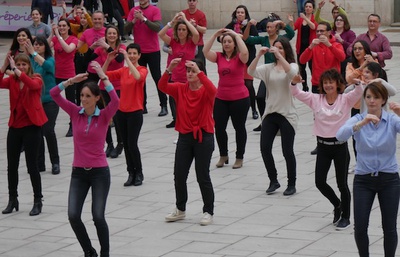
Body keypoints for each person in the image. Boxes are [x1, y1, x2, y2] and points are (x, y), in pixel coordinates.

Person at [50, 61, 119, 257]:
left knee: (98, 216)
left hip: (99, 173)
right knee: (73, 215)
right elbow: (54, 94)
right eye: (82, 96)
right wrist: (71, 81)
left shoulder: (104, 116)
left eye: (88, 96)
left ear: (97, 98)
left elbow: (116, 102)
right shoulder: (74, 112)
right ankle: (89, 251)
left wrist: (103, 77)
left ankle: (105, 253)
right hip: (78, 172)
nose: (83, 99)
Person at [291, 69, 364, 229]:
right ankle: (337, 204)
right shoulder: (315, 99)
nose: (328, 85)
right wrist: (294, 81)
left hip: (340, 148)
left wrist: (355, 80)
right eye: (325, 82)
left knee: (342, 184)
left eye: (331, 82)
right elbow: (296, 92)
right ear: (322, 85)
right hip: (323, 147)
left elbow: (360, 90)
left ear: (337, 84)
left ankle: (346, 216)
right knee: (320, 182)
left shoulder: (345, 99)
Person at [336, 82, 400, 257]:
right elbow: (340, 135)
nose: (372, 101)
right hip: (364, 179)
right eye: (368, 97)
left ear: (383, 100)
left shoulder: (392, 119)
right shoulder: (358, 119)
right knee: (361, 225)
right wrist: (361, 123)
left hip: (389, 179)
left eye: (376, 97)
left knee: (390, 226)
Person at [160, 59, 216, 226]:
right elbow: (162, 86)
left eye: (193, 71)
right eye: (188, 71)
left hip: (204, 137)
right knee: (179, 175)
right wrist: (169, 69)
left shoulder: (206, 90)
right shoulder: (180, 88)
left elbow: (215, 92)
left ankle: (208, 211)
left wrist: (200, 72)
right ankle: (180, 209)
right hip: (184, 137)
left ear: (200, 72)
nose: (190, 73)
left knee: (202, 176)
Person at [248, 37, 299, 196]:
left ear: (286, 50)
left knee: (287, 151)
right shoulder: (268, 68)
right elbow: (250, 72)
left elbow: (292, 75)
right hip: (270, 113)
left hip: (287, 114)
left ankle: (292, 184)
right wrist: (258, 56)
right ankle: (273, 180)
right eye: (275, 48)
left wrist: (280, 56)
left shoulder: (291, 66)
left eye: (281, 48)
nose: (277, 50)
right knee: (264, 148)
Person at [0, 53, 48, 216]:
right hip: (15, 126)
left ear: (29, 66)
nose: (20, 67)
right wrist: (4, 66)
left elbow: (33, 86)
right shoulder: (12, 80)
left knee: (32, 165)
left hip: (32, 127)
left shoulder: (36, 78)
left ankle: (37, 200)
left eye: (23, 65)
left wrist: (15, 70)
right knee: (11, 166)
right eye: (18, 64)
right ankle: (13, 199)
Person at [203, 29, 250, 169]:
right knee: (219, 127)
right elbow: (205, 51)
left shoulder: (240, 57)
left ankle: (239, 157)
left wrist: (235, 35)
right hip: (221, 98)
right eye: (224, 42)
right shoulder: (218, 57)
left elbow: (246, 52)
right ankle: (223, 155)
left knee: (239, 128)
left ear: (234, 44)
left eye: (229, 42)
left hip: (240, 98)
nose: (227, 44)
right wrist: (214, 35)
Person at [300, 21, 345, 155]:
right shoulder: (314, 46)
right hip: (318, 84)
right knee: (319, 115)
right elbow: (302, 60)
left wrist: (329, 45)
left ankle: (338, 138)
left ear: (329, 32)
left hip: (334, 85)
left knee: (336, 113)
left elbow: (342, 57)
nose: (319, 33)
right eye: (317, 31)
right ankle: (320, 143)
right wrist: (309, 47)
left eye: (322, 31)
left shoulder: (336, 44)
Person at [105, 43, 147, 187]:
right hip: (121, 112)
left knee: (132, 144)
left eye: (134, 53)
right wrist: (108, 60)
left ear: (139, 55)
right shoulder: (122, 71)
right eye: (129, 53)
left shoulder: (142, 69)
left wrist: (128, 61)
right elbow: (104, 75)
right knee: (126, 145)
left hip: (135, 112)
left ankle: (139, 173)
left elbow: (137, 78)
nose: (132, 55)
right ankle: (131, 173)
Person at [244, 15, 295, 131]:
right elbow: (247, 39)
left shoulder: (281, 39)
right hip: (268, 73)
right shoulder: (264, 40)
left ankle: (283, 122)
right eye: (267, 27)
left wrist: (283, 24)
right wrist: (248, 25)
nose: (269, 29)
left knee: (280, 98)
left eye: (271, 27)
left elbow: (292, 34)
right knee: (260, 97)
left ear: (276, 28)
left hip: (282, 73)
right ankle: (264, 121)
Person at [88, 25, 126, 158]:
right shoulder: (101, 49)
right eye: (109, 33)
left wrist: (107, 47)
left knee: (117, 117)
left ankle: (120, 143)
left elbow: (120, 59)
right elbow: (87, 59)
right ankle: (109, 144)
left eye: (113, 33)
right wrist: (91, 48)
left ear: (117, 35)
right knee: (104, 117)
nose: (111, 36)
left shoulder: (121, 48)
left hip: (118, 87)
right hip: (104, 86)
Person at [26, 36, 61, 175]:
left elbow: (47, 66)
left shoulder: (50, 60)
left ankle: (55, 162)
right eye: (35, 45)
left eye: (40, 45)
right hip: (36, 102)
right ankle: (39, 163)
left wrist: (33, 54)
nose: (37, 47)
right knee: (37, 133)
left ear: (45, 46)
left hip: (51, 101)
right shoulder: (31, 63)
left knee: (48, 130)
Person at [158, 11, 199, 128]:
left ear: (187, 31)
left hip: (188, 78)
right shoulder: (173, 42)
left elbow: (196, 34)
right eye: (179, 29)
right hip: (175, 77)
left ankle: (189, 122)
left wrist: (185, 20)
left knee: (188, 103)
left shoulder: (192, 42)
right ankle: (177, 120)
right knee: (174, 101)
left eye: (184, 29)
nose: (181, 32)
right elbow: (161, 34)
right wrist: (172, 22)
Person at [127, 0, 167, 116]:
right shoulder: (133, 11)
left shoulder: (155, 10)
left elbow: (157, 27)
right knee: (139, 79)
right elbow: (125, 29)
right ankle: (142, 105)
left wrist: (143, 19)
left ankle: (163, 105)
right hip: (139, 52)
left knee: (157, 77)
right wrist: (134, 20)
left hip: (153, 50)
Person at [223, 5, 259, 120]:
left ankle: (254, 109)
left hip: (246, 58)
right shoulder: (231, 25)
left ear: (245, 14)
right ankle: (233, 109)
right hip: (234, 59)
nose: (239, 14)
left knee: (248, 84)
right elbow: (222, 36)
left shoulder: (250, 25)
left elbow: (255, 38)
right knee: (235, 84)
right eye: (238, 12)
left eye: (242, 12)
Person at [50, 18, 78, 137]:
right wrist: (52, 33)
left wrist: (58, 36)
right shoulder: (55, 38)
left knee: (71, 101)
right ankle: (50, 124)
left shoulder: (73, 39)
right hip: (56, 73)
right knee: (52, 99)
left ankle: (73, 125)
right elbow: (44, 46)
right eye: (59, 26)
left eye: (63, 26)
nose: (61, 28)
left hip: (69, 74)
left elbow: (68, 49)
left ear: (68, 27)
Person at [293, 0, 318, 92]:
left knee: (312, 68)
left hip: (311, 48)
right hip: (301, 48)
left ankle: (314, 86)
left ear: (313, 9)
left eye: (309, 7)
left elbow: (313, 27)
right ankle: (305, 86)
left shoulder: (314, 19)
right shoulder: (300, 20)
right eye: (306, 6)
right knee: (302, 69)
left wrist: (306, 18)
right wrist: (291, 21)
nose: (307, 8)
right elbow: (293, 28)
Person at [182, 0, 207, 71]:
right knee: (185, 66)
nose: (191, 2)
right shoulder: (183, 13)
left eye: (193, 1)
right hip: (185, 44)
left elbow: (204, 30)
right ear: (187, 2)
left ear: (197, 2)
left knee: (200, 67)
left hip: (198, 44)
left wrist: (195, 25)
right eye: (190, 1)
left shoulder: (201, 14)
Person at [331, 14, 355, 82]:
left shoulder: (350, 33)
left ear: (345, 22)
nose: (338, 22)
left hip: (346, 59)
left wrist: (342, 41)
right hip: (333, 59)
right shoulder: (331, 33)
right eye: (337, 20)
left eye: (341, 20)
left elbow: (353, 46)